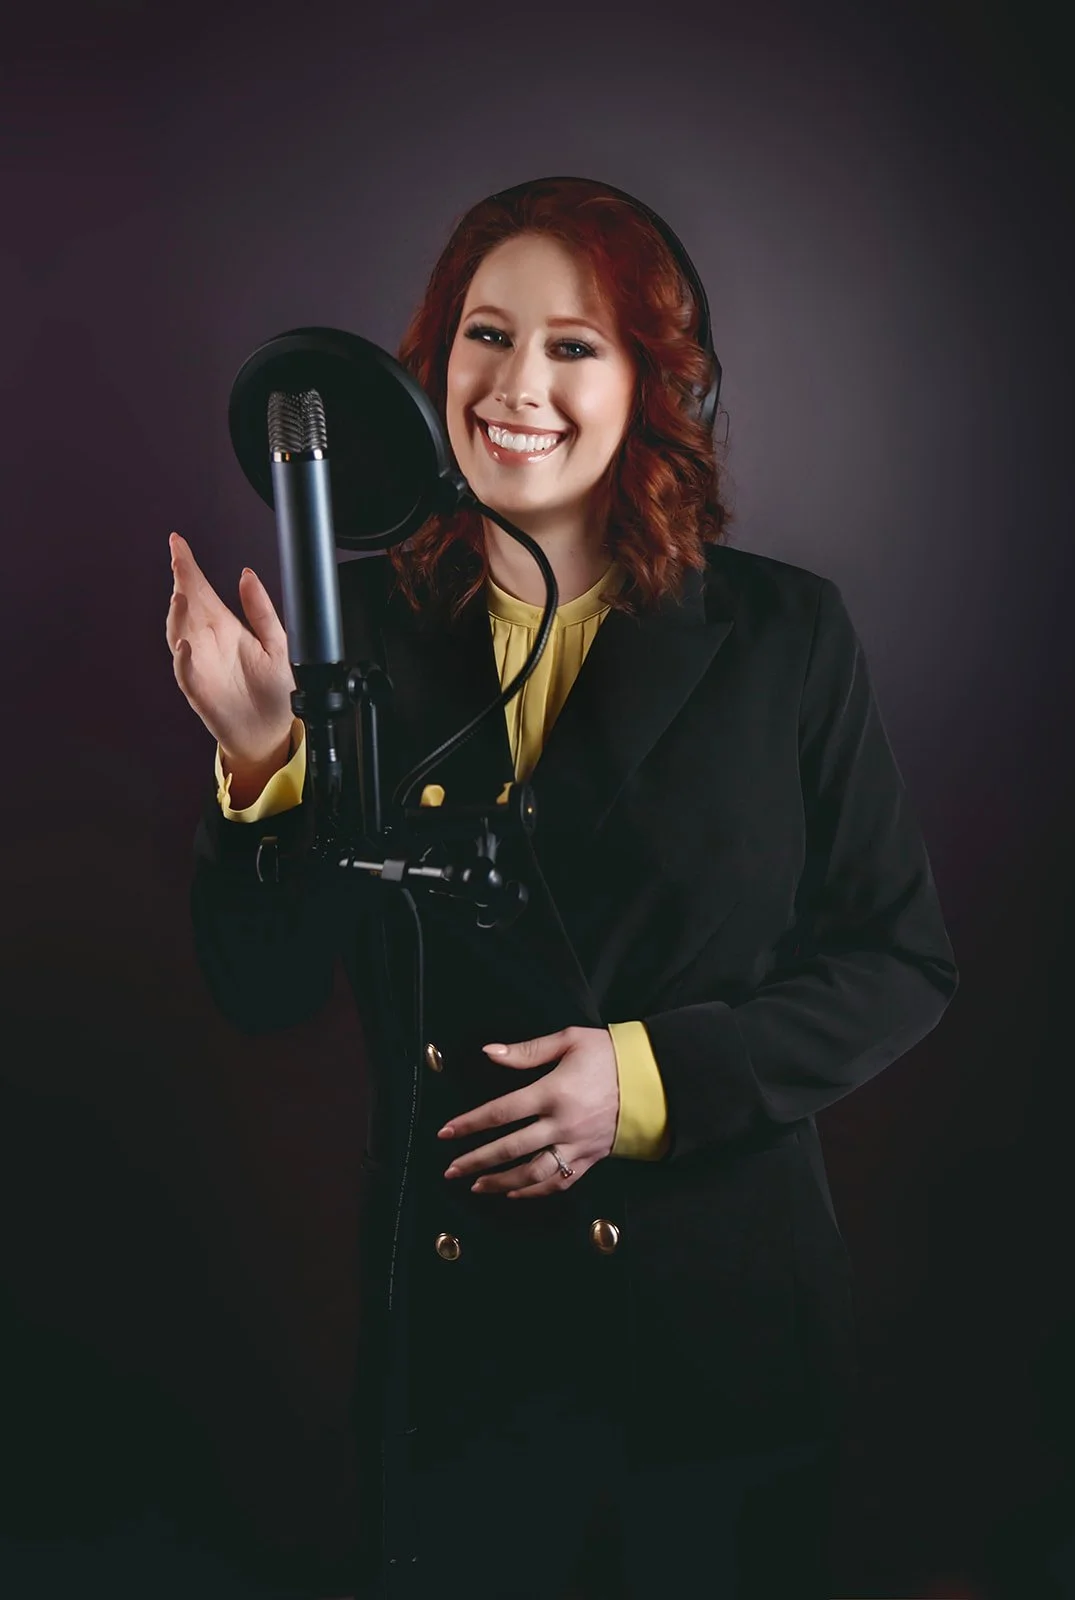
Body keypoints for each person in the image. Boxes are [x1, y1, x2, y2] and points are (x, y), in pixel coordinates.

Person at [167, 176, 959, 1599]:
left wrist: (640, 1080)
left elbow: (899, 962)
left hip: (719, 1349)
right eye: (486, 335)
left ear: (657, 387)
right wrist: (267, 759)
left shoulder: (784, 635)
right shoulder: (357, 647)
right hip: (464, 1355)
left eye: (574, 344)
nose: (516, 386)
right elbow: (265, 990)